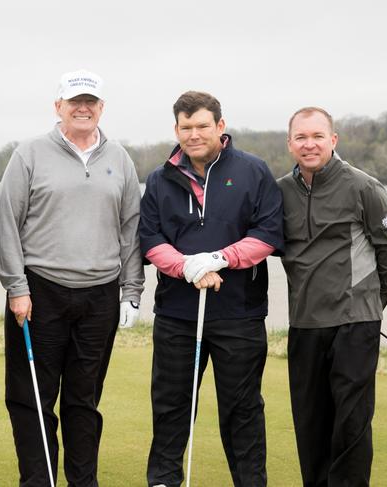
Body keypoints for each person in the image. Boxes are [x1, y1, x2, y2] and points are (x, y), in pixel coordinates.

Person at [0, 69, 144, 487]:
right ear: (58, 106)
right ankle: (39, 481)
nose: (83, 108)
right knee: (32, 398)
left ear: (101, 108)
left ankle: (83, 481)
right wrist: (16, 287)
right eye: (74, 101)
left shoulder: (120, 158)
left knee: (84, 399)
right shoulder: (29, 153)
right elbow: (7, 221)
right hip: (39, 292)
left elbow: (131, 228)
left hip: (99, 297)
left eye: (90, 102)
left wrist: (131, 291)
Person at [139, 91, 284, 487]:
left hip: (239, 314)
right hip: (177, 315)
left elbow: (268, 233)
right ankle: (164, 481)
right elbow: (150, 239)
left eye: (202, 125)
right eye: (186, 127)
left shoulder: (253, 171)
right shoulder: (159, 179)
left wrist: (221, 258)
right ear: (176, 129)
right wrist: (186, 266)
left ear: (220, 126)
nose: (194, 134)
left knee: (242, 410)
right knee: (171, 407)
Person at [278, 107, 387, 487]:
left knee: (350, 424)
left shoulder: (363, 186)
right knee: (310, 423)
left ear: (333, 140)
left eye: (318, 135)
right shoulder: (280, 190)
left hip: (355, 324)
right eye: (301, 137)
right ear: (290, 144)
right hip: (304, 324)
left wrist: (371, 302)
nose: (309, 143)